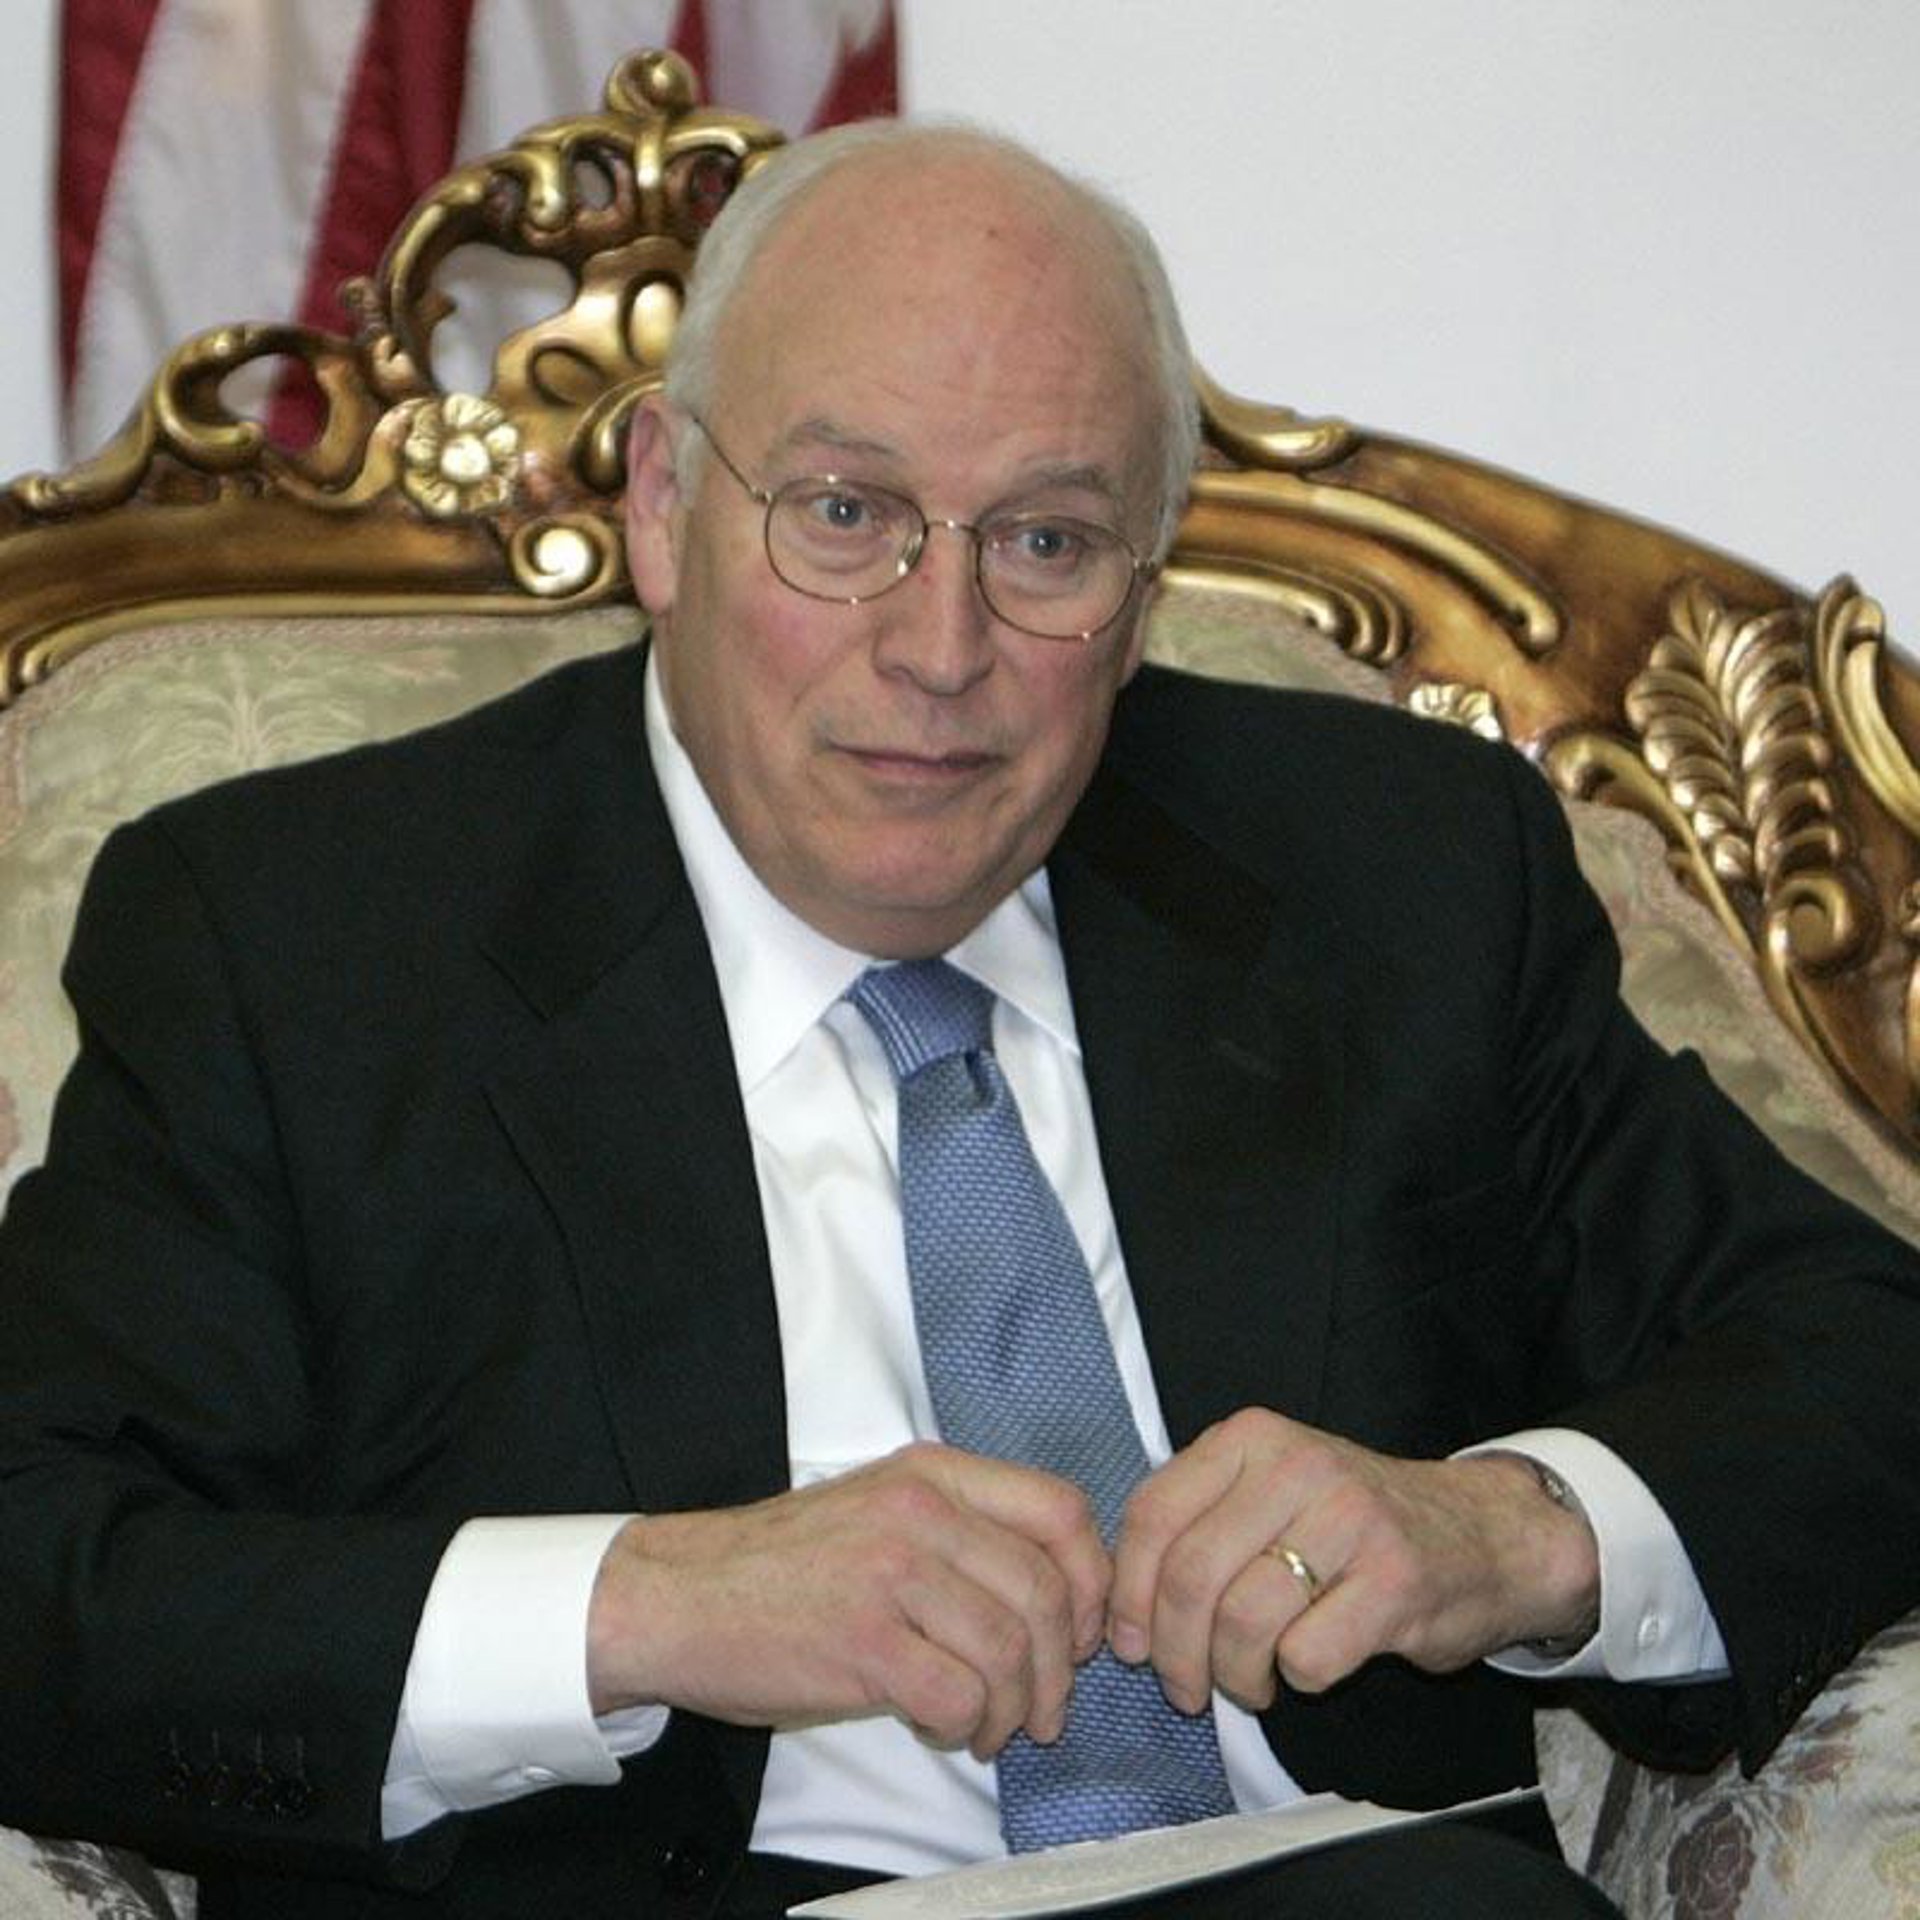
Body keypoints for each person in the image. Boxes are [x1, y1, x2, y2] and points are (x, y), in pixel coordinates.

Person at [2, 117, 1918, 1920]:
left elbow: (1865, 1348)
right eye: (846, 513)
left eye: (1047, 542)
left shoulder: (1393, 875)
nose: (941, 651)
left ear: (1145, 592)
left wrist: (1509, 1529)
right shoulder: (300, 941)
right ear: (664, 504)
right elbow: (40, 1570)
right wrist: (643, 1605)